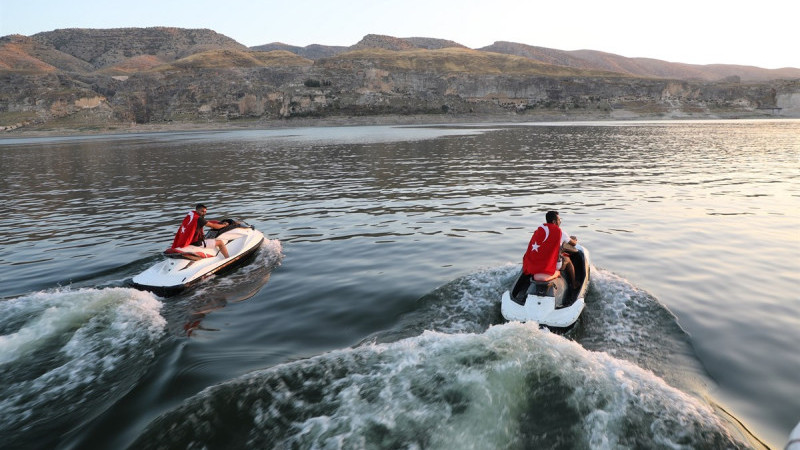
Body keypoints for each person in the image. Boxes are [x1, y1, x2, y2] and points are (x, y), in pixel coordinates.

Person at [522, 210, 577, 287]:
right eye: (559, 220)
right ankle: (574, 284)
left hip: (537, 263)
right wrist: (574, 239)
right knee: (568, 260)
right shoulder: (561, 232)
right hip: (553, 265)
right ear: (554, 221)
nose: (560, 222)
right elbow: (573, 243)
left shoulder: (540, 231)